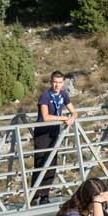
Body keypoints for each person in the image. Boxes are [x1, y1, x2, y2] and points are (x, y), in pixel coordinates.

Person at [32, 72, 77, 205]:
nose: (57, 85)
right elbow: (46, 117)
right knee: (40, 164)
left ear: (63, 83)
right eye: (54, 82)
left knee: (51, 164)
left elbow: (74, 111)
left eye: (59, 82)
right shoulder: (45, 96)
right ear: (51, 82)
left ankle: (45, 195)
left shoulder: (63, 95)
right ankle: (34, 196)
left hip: (54, 132)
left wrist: (72, 118)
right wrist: (64, 118)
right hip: (42, 133)